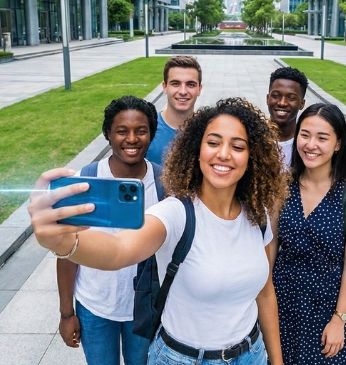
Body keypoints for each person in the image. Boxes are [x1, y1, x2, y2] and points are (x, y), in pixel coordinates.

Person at [31, 97, 289, 365]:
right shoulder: (176, 212)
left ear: (252, 157)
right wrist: (64, 241)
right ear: (196, 150)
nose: (224, 153)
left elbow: (265, 291)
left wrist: (277, 360)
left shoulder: (256, 215)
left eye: (237, 146)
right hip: (185, 359)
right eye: (213, 143)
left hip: (251, 354)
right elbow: (118, 250)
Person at [57, 96, 162, 365]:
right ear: (108, 134)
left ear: (151, 134)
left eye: (141, 131)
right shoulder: (87, 180)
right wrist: (67, 314)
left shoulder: (164, 184)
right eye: (121, 131)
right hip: (94, 305)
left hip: (145, 308)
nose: (132, 139)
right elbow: (68, 252)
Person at [271, 103, 346, 364]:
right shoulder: (284, 185)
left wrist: (340, 319)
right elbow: (271, 247)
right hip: (282, 299)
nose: (310, 144)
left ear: (337, 144)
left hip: (326, 307)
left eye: (322, 137)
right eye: (305, 134)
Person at [145, 56, 203, 166]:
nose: (182, 91)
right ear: (165, 87)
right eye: (175, 83)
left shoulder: (208, 131)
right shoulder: (147, 129)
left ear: (199, 89)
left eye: (190, 84)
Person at [266, 67, 308, 167]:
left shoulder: (307, 144)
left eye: (291, 98)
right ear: (268, 99)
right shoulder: (254, 138)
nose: (282, 103)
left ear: (302, 104)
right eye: (276, 96)